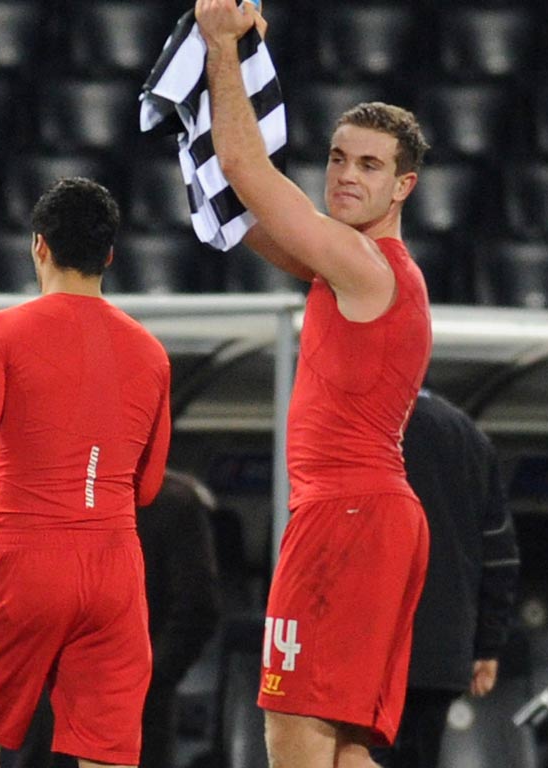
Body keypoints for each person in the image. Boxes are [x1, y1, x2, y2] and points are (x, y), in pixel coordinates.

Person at [194, 1, 433, 765]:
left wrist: (221, 47)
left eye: (369, 166)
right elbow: (237, 209)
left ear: (405, 188)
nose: (345, 175)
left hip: (346, 514)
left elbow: (243, 168)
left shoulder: (361, 264)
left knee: (293, 729)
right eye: (335, 158)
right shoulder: (347, 265)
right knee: (344, 748)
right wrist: (200, 112)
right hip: (371, 516)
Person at [0, 177, 172, 768]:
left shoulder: (4, 332)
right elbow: (149, 485)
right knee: (106, 755)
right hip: (116, 569)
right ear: (110, 255)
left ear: (39, 246)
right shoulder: (152, 353)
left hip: (26, 561)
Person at [15, 468, 224, 768]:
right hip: (53, 714)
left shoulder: (171, 502)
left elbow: (196, 610)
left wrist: (146, 681)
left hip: (134, 714)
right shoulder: (44, 493)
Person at [372, 390, 520, 768]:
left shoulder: (364, 424)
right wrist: (488, 645)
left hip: (370, 647)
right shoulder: (468, 434)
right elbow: (499, 553)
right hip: (442, 650)